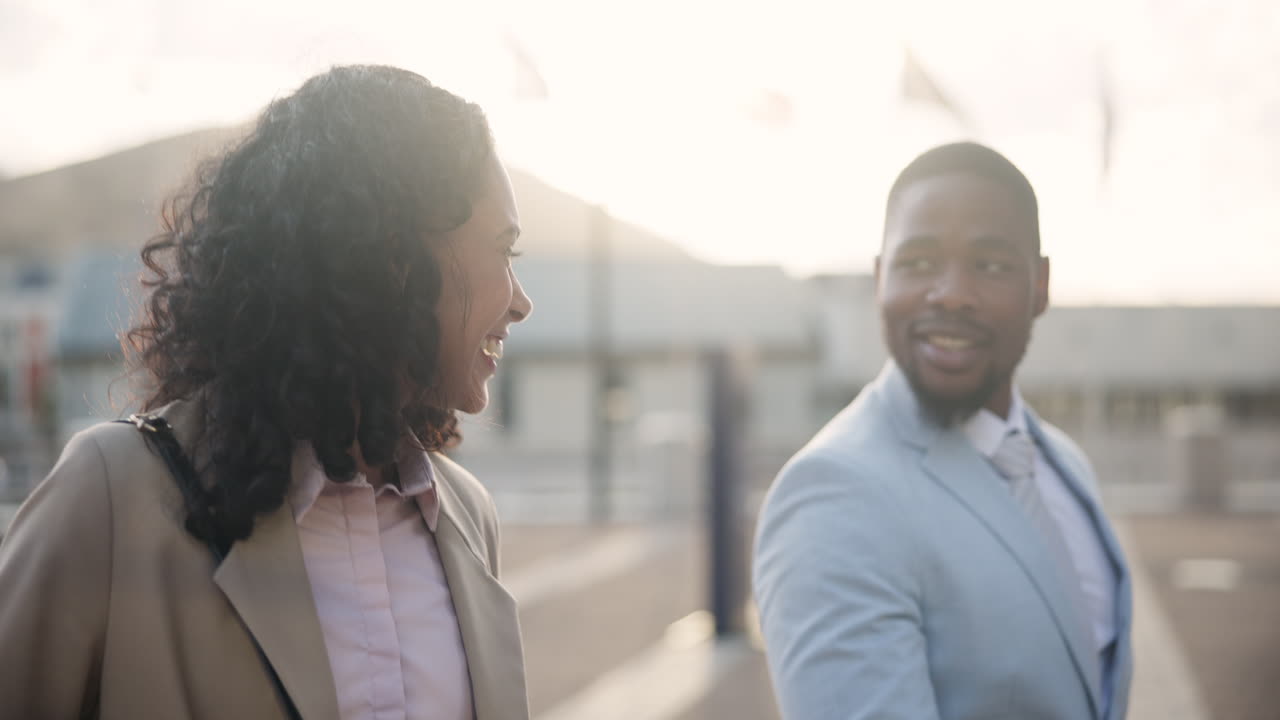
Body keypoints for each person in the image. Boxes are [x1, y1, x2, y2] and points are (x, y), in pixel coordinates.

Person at [0, 64, 533, 720]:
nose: (522, 303)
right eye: (505, 252)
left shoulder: (466, 515)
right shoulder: (110, 496)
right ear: (392, 256)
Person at [753, 142, 1133, 720]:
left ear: (1041, 286)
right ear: (881, 279)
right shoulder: (833, 496)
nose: (952, 292)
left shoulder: (1062, 461)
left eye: (992, 265)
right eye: (919, 262)